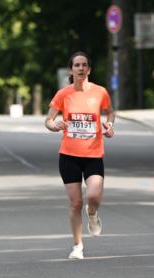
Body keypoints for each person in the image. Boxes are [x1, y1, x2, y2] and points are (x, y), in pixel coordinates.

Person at [45, 51, 115, 260]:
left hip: (93, 154)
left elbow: (110, 112)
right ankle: (77, 246)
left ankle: (92, 213)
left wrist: (109, 125)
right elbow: (48, 120)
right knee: (75, 203)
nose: (81, 68)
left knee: (93, 196)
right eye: (77, 65)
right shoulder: (63, 94)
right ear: (71, 70)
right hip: (69, 156)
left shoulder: (100, 92)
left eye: (84, 65)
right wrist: (54, 125)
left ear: (89, 69)